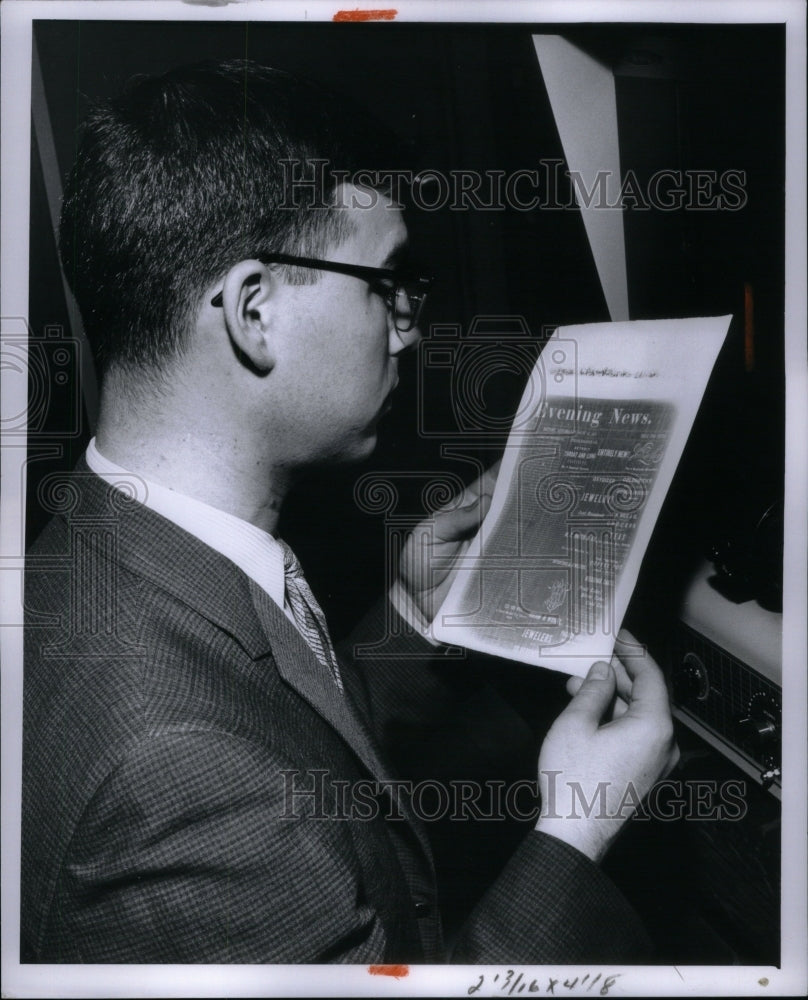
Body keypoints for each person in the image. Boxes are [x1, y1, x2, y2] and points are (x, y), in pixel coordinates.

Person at [22, 60, 678, 964]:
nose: (407, 325)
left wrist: (409, 621)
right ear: (256, 313)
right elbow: (223, 759)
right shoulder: (170, 767)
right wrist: (579, 833)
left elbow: (275, 743)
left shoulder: (93, 551)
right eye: (385, 282)